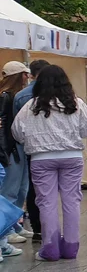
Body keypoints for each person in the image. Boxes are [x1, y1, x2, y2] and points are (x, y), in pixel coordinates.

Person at [12, 65, 87, 262]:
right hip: (72, 156)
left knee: (46, 203)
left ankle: (49, 248)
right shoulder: (76, 104)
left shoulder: (32, 106)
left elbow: (17, 132)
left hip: (42, 159)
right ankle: (70, 247)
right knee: (71, 201)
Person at [14, 59, 48, 241]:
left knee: (30, 188)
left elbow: (15, 127)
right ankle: (49, 228)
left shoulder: (21, 96)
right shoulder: (58, 94)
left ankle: (36, 228)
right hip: (51, 149)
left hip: (28, 148)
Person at [0, 62, 31, 254]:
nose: (27, 78)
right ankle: (7, 229)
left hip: (17, 146)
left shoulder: (15, 96)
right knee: (11, 189)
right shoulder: (7, 97)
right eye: (25, 75)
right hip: (11, 148)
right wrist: (5, 151)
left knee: (21, 188)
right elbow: (4, 127)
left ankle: (14, 224)